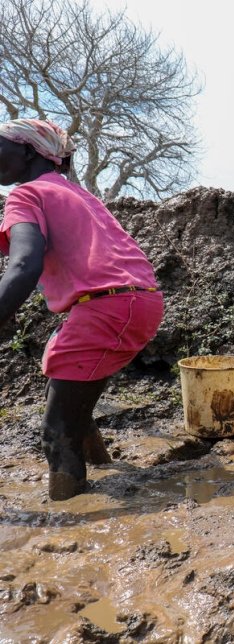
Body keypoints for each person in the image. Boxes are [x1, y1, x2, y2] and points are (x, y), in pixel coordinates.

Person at [0, 119, 164, 500]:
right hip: (136, 300)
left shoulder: (26, 195)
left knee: (56, 431)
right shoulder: (74, 193)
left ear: (27, 150)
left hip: (107, 306)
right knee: (67, 387)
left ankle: (70, 512)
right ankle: (101, 464)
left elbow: (24, 264)